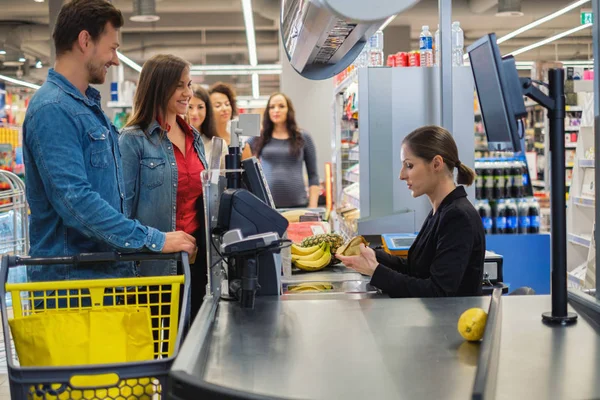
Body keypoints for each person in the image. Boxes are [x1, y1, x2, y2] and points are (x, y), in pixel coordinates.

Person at [22, 0, 196, 283]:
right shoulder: (52, 109)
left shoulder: (89, 109)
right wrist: (153, 239)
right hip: (73, 287)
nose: (115, 59)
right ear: (85, 40)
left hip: (102, 276)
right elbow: (76, 202)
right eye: (113, 48)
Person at [337, 126, 485, 298]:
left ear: (436, 164)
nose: (401, 175)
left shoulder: (458, 217)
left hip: (451, 323)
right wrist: (373, 255)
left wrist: (376, 271)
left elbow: (438, 292)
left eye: (409, 165)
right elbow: (415, 270)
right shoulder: (440, 211)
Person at [119, 54, 208, 317]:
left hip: (196, 262)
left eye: (189, 84)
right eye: (179, 85)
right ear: (159, 86)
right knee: (160, 349)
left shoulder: (195, 138)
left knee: (194, 344)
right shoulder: (132, 141)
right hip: (153, 266)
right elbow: (122, 213)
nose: (188, 93)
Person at [242, 92, 320, 208]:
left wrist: (313, 207)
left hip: (298, 205)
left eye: (281, 106)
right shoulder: (259, 138)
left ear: (289, 110)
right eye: (272, 107)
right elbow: (242, 160)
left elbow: (313, 176)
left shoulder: (303, 137)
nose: (276, 110)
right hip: (267, 206)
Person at [188, 85, 226, 168]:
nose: (195, 113)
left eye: (200, 107)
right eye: (190, 107)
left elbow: (222, 178)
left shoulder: (217, 145)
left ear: (207, 110)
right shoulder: (174, 142)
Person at [209, 82, 238, 146]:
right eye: (217, 105)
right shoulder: (204, 141)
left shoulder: (238, 141)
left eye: (227, 104)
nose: (224, 109)